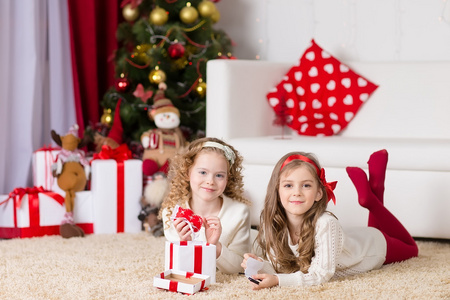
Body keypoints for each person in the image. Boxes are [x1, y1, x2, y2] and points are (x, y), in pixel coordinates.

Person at [242, 149, 418, 289]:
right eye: (288, 185)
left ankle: (371, 201)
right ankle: (376, 186)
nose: (297, 192)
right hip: (354, 240)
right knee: (373, 229)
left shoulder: (326, 223)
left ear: (319, 193)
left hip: (373, 247)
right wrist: (260, 265)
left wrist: (278, 281)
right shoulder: (271, 222)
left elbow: (320, 275)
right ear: (277, 191)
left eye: (306, 185)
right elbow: (281, 268)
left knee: (412, 248)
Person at [160, 137, 251, 274]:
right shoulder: (172, 213)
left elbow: (240, 267)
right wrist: (185, 242)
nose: (210, 181)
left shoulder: (239, 213)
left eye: (219, 175)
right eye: (203, 172)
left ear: (228, 178)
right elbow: (180, 270)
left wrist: (215, 246)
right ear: (187, 173)